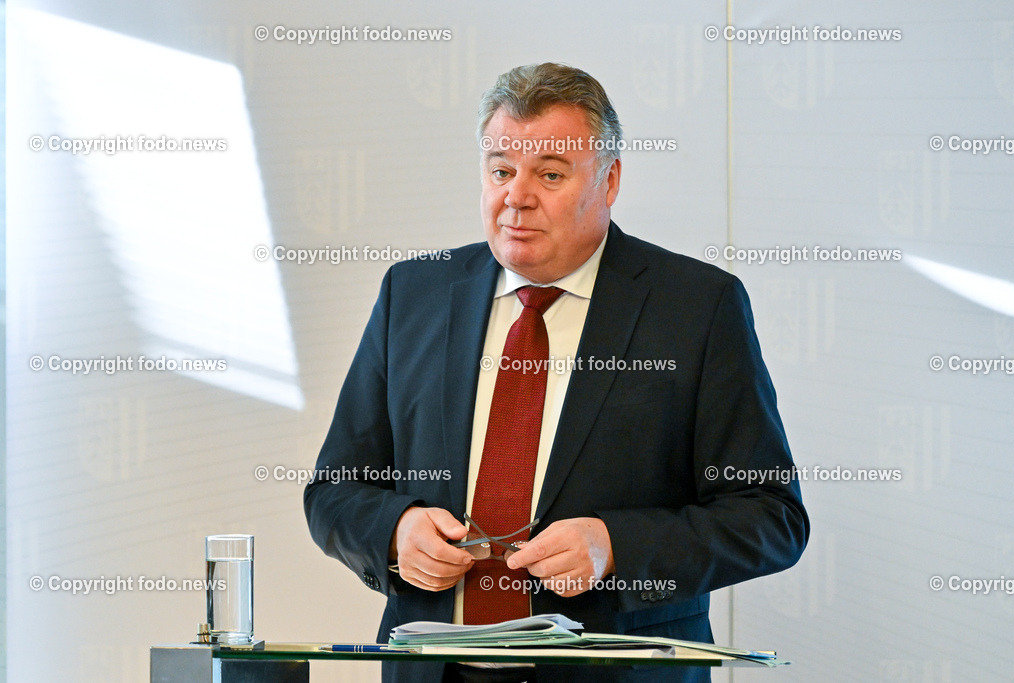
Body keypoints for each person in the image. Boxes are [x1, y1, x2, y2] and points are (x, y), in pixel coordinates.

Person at [305, 62, 809, 683]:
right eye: (500, 171)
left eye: (549, 173)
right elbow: (335, 489)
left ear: (610, 179)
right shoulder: (414, 293)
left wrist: (615, 548)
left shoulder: (697, 308)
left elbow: (771, 517)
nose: (517, 196)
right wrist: (394, 531)